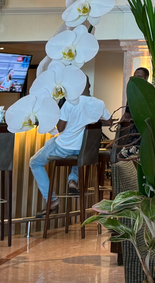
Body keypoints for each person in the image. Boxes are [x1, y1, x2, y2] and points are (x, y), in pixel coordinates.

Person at [29, 79, 112, 212]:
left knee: (34, 162)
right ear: (89, 85)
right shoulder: (99, 103)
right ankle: (72, 180)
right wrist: (90, 119)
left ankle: (52, 200)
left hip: (64, 147)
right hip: (85, 150)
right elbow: (109, 122)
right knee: (78, 154)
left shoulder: (70, 104)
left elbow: (60, 128)